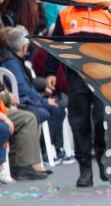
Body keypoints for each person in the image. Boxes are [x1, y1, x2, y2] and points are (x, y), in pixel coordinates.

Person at [45, 4, 111, 187]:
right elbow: (55, 44)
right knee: (79, 122)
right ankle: (85, 170)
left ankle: (103, 159)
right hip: (76, 76)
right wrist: (50, 71)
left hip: (104, 78)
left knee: (101, 120)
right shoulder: (66, 14)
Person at [0, 27, 66, 161]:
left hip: (24, 97)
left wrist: (42, 89)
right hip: (22, 101)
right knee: (53, 109)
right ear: (24, 47)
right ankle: (48, 150)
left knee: (58, 105)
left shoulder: (14, 59)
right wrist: (44, 101)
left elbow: (26, 84)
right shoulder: (11, 62)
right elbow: (23, 89)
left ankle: (53, 149)